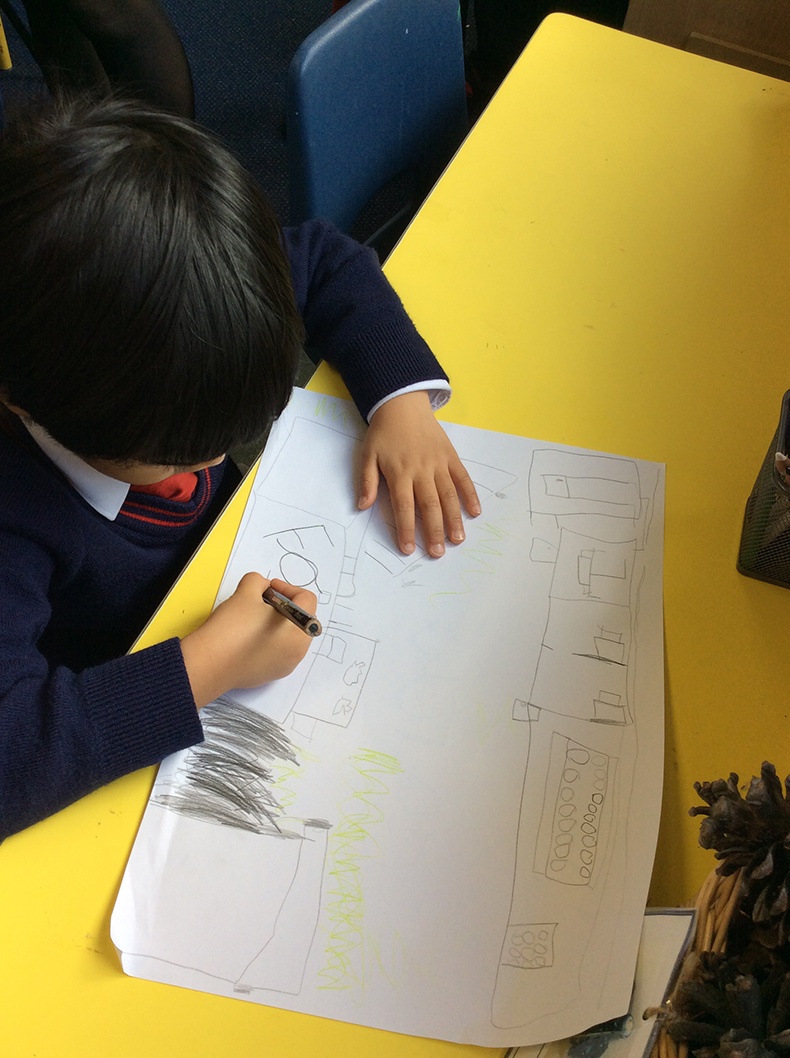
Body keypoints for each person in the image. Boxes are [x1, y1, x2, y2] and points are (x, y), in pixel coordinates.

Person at [0, 94, 481, 840]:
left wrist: (401, 402)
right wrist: (207, 667)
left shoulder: (191, 281)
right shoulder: (16, 515)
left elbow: (324, 258)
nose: (216, 461)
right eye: (175, 452)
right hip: (116, 692)